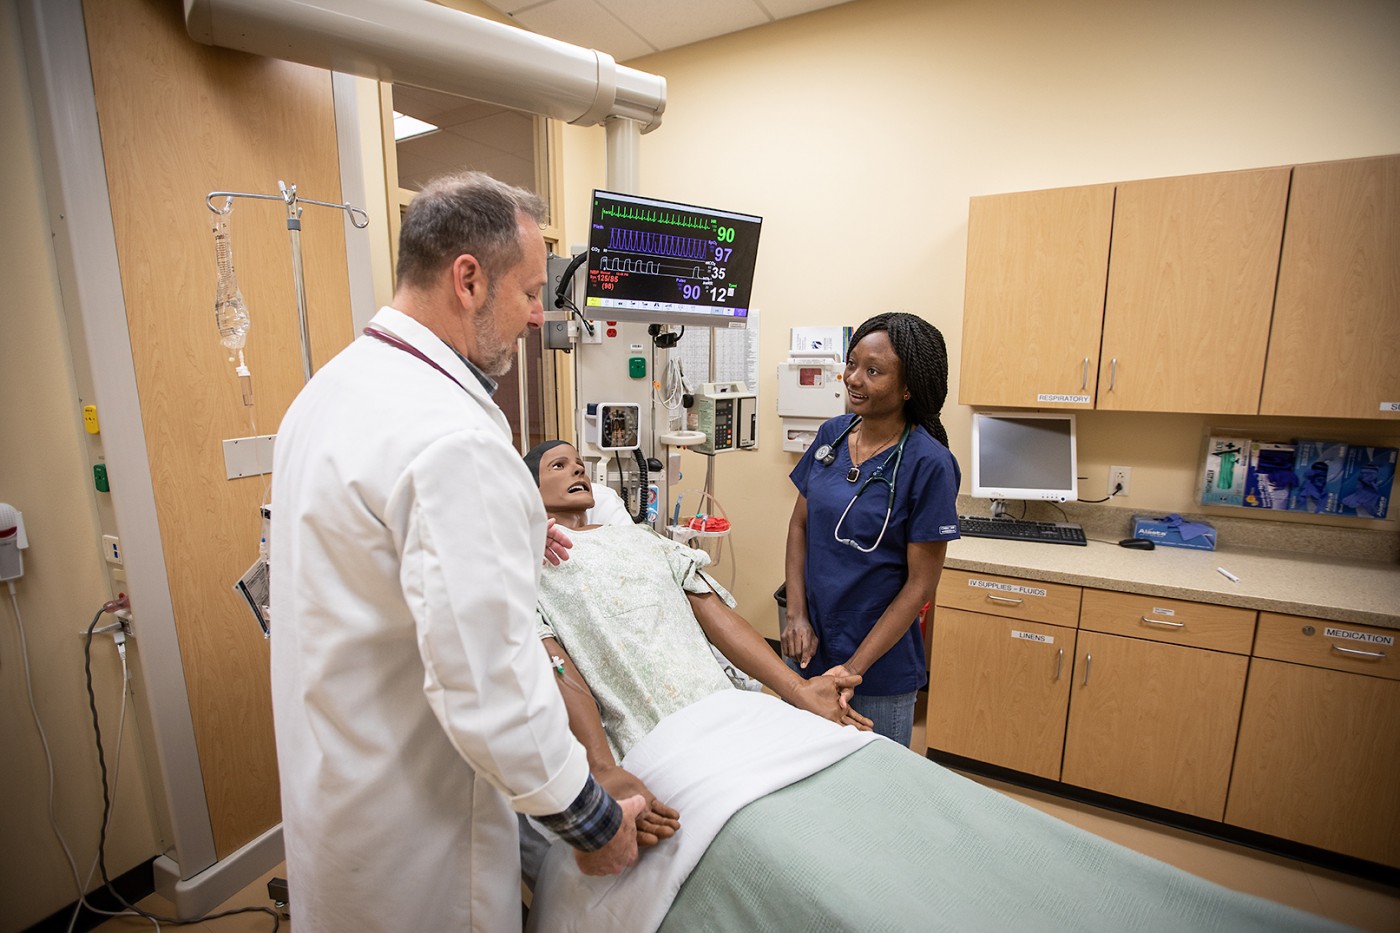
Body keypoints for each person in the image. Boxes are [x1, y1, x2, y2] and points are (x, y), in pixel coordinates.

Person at [269, 172, 644, 932]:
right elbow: (490, 684)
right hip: (417, 835)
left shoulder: (330, 390)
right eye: (532, 292)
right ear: (468, 278)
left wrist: (504, 527)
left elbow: (370, 552)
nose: (539, 317)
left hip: (337, 791)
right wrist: (593, 821)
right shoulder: (453, 438)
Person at [524, 439, 871, 764]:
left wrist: (799, 690)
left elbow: (713, 612)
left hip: (726, 708)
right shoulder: (529, 567)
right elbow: (555, 664)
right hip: (655, 738)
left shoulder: (644, 539)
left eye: (580, 464)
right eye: (559, 465)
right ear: (527, 493)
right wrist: (602, 767)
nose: (578, 470)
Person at [782, 312, 960, 746]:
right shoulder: (832, 436)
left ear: (907, 387)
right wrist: (796, 615)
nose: (853, 379)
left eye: (873, 371)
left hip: (877, 669)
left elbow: (921, 585)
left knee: (877, 793)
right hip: (808, 648)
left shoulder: (929, 464)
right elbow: (800, 525)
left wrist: (853, 668)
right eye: (852, 363)